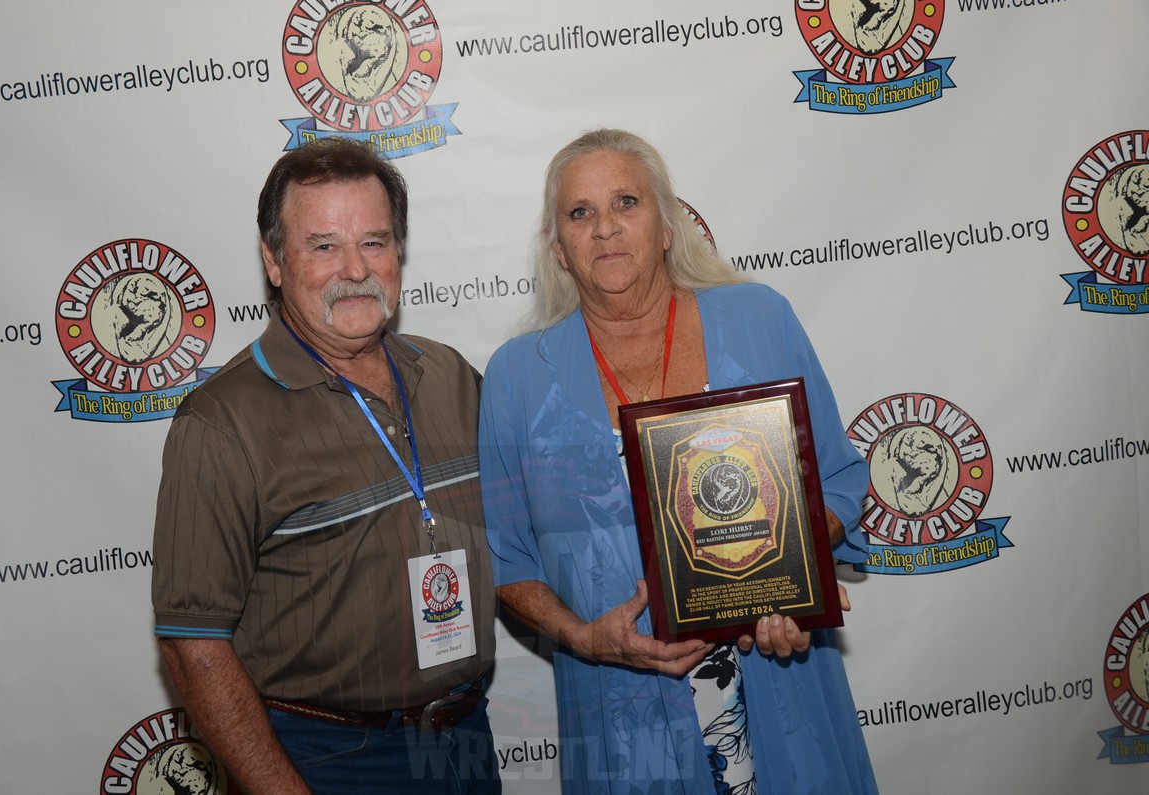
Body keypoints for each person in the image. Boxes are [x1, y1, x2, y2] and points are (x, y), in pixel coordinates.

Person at [479, 129, 877, 794]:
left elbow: (836, 482)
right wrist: (582, 636)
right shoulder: (518, 375)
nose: (604, 228)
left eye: (626, 202)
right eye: (579, 213)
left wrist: (785, 579)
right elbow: (504, 556)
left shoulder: (758, 319)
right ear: (558, 247)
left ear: (666, 226)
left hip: (779, 677)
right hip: (619, 705)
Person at [152, 137, 499, 794]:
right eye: (323, 246)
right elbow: (191, 647)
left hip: (463, 741)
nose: (355, 268)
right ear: (274, 261)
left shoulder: (451, 375)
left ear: (399, 251)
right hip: (325, 757)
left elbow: (532, 522)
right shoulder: (220, 422)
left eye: (374, 241)